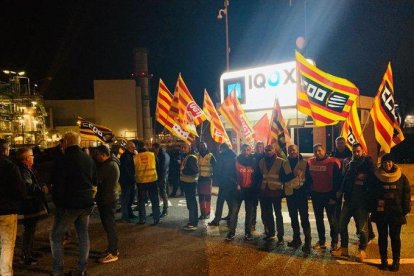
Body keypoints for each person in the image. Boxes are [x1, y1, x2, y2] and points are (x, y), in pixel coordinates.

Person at [50, 132, 97, 276]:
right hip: (87, 202)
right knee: (83, 234)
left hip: (70, 205)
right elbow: (94, 180)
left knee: (55, 236)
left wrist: (58, 203)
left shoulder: (63, 160)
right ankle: (81, 269)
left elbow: (57, 185)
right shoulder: (88, 159)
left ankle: (57, 270)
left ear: (65, 143)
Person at [332, 143, 375, 261]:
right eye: (354, 152)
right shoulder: (350, 163)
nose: (356, 153)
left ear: (363, 151)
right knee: (341, 224)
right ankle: (344, 249)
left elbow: (372, 182)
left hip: (362, 202)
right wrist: (341, 190)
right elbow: (345, 179)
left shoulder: (368, 164)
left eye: (358, 151)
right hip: (349, 200)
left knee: (362, 228)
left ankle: (362, 251)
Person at [370, 154, 411, 271]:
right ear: (381, 164)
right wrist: (372, 208)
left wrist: (405, 209)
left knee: (395, 237)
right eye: (384, 162)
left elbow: (406, 194)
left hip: (396, 213)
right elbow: (371, 193)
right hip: (381, 212)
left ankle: (396, 261)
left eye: (389, 162)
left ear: (393, 163)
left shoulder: (401, 177)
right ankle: (383, 260)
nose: (387, 164)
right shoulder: (376, 176)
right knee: (382, 237)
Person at [305, 143, 341, 252]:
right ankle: (322, 241)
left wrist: (333, 197)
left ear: (324, 150)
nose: (317, 153)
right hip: (317, 196)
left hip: (329, 195)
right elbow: (308, 179)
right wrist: (310, 193)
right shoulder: (310, 162)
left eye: (319, 150)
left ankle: (334, 242)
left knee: (332, 221)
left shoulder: (333, 162)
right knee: (319, 220)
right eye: (315, 151)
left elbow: (337, 181)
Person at [16, 147, 48, 265]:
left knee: (31, 229)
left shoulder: (26, 169)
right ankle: (26, 255)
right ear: (26, 159)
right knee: (29, 230)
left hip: (30, 204)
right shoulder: (24, 170)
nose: (33, 157)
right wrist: (41, 189)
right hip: (28, 205)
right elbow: (29, 187)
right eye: (31, 156)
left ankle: (29, 252)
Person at [256, 144, 292, 244]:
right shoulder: (261, 161)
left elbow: (288, 177)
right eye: (266, 150)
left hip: (276, 191)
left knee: (278, 214)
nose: (268, 152)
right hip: (264, 192)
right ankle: (271, 233)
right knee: (268, 214)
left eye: (270, 150)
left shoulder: (282, 161)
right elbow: (259, 176)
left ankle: (280, 237)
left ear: (274, 150)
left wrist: (285, 191)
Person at [0, 139, 26, 276]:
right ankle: (5, 273)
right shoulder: (10, 166)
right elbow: (20, 190)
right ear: (5, 150)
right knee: (7, 244)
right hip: (7, 211)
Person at [94, 145, 120, 264]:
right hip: (110, 197)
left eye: (97, 154)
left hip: (107, 198)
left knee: (109, 225)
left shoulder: (108, 166)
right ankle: (112, 249)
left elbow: (96, 179)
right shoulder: (112, 163)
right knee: (110, 225)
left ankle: (113, 252)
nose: (96, 157)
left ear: (103, 154)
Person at [284, 144, 311, 254]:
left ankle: (308, 243)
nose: (292, 152)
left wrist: (308, 192)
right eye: (290, 150)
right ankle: (296, 239)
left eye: (294, 150)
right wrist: (292, 175)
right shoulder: (284, 163)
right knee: (293, 218)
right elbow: (282, 177)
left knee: (304, 218)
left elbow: (309, 178)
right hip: (290, 194)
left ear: (297, 150)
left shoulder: (304, 163)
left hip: (301, 194)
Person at [226, 144, 255, 241]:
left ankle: (248, 233)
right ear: (241, 151)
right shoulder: (236, 161)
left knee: (249, 213)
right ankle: (231, 232)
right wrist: (236, 184)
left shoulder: (254, 161)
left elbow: (258, 175)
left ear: (250, 151)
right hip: (237, 191)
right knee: (234, 212)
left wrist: (254, 186)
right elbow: (230, 175)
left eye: (248, 150)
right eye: (244, 150)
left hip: (250, 191)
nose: (246, 152)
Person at [208, 143, 236, 226]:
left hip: (224, 181)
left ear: (223, 149)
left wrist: (216, 178)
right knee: (229, 200)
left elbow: (218, 168)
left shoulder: (222, 156)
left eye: (221, 149)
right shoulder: (234, 155)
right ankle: (231, 217)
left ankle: (217, 220)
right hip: (232, 182)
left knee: (220, 201)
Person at [134, 141, 160, 225]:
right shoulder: (152, 155)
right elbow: (158, 167)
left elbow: (133, 169)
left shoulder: (135, 157)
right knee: (154, 200)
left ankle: (142, 219)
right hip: (152, 180)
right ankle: (156, 219)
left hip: (141, 182)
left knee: (141, 201)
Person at [180, 143, 199, 230]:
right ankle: (192, 221)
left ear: (189, 148)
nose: (183, 149)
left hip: (190, 183)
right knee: (191, 203)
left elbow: (194, 171)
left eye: (185, 147)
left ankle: (193, 223)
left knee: (191, 203)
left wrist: (183, 170)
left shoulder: (191, 157)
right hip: (188, 183)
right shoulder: (188, 156)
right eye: (182, 147)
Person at [196, 142, 216, 220]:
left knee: (207, 197)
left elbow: (215, 166)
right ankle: (202, 213)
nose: (202, 147)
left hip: (208, 179)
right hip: (200, 179)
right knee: (201, 197)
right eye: (200, 146)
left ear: (206, 147)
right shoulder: (197, 156)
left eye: (203, 146)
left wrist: (213, 176)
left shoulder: (210, 156)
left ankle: (207, 213)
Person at [119, 141, 137, 222]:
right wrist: (132, 177)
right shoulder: (125, 156)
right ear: (128, 147)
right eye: (133, 147)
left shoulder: (131, 155)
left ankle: (129, 214)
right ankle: (125, 217)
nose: (134, 148)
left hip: (131, 180)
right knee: (126, 199)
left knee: (130, 198)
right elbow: (125, 169)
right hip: (126, 181)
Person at [152, 143, 170, 217]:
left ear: (157, 148)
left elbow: (161, 167)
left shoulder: (161, 155)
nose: (153, 150)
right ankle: (162, 209)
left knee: (162, 193)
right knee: (162, 192)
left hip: (161, 176)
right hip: (163, 176)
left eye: (153, 149)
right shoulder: (165, 154)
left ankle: (165, 209)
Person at [251, 141, 265, 232]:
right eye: (258, 147)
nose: (259, 148)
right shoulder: (252, 157)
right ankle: (252, 224)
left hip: (263, 184)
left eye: (261, 147)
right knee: (253, 206)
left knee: (264, 207)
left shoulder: (266, 157)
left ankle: (266, 226)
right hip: (254, 185)